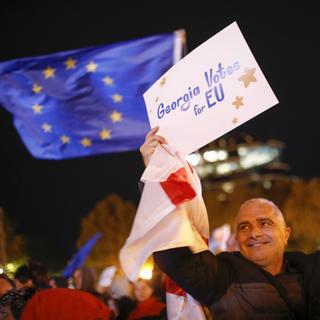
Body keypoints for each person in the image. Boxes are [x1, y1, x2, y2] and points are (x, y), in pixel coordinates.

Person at [139, 127, 320, 319]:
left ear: (286, 233)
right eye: (244, 227)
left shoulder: (310, 271)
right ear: (236, 238)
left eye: (265, 223)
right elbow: (175, 255)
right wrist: (157, 174)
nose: (254, 233)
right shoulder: (222, 278)